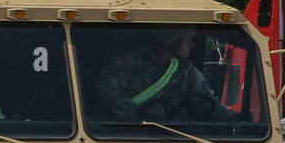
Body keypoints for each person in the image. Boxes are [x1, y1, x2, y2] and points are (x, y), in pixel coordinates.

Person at [94, 28, 232, 122]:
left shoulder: (185, 68)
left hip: (174, 134)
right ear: (171, 39)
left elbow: (204, 98)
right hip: (125, 133)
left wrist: (232, 118)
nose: (192, 44)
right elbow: (106, 92)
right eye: (188, 38)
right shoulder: (130, 60)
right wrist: (137, 114)